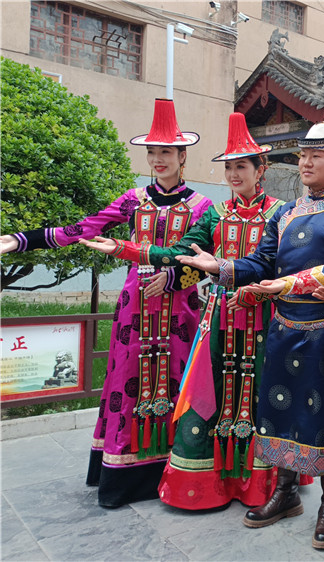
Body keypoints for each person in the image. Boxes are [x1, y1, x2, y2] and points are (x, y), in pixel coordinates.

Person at [173, 122, 324, 549]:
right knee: (279, 413)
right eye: (302, 155)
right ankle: (285, 493)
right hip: (284, 329)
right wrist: (223, 267)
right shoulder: (285, 213)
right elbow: (263, 263)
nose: (305, 163)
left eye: (316, 156)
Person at [0, 99, 212, 507]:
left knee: (177, 381)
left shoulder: (203, 207)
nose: (158, 160)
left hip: (180, 309)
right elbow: (84, 229)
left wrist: (173, 278)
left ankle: (177, 472)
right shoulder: (133, 200)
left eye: (166, 152)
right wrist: (23, 239)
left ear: (182, 156)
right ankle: (123, 477)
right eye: (152, 152)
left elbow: (205, 264)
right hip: (135, 307)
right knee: (127, 381)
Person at [80, 113, 283, 510]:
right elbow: (181, 252)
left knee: (257, 395)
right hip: (218, 317)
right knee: (211, 396)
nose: (233, 175)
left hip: (262, 316)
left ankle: (259, 484)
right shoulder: (215, 213)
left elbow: (277, 262)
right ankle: (211, 483)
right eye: (228, 168)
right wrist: (128, 249)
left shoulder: (279, 213)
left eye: (241, 167)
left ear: (261, 170)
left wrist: (249, 286)